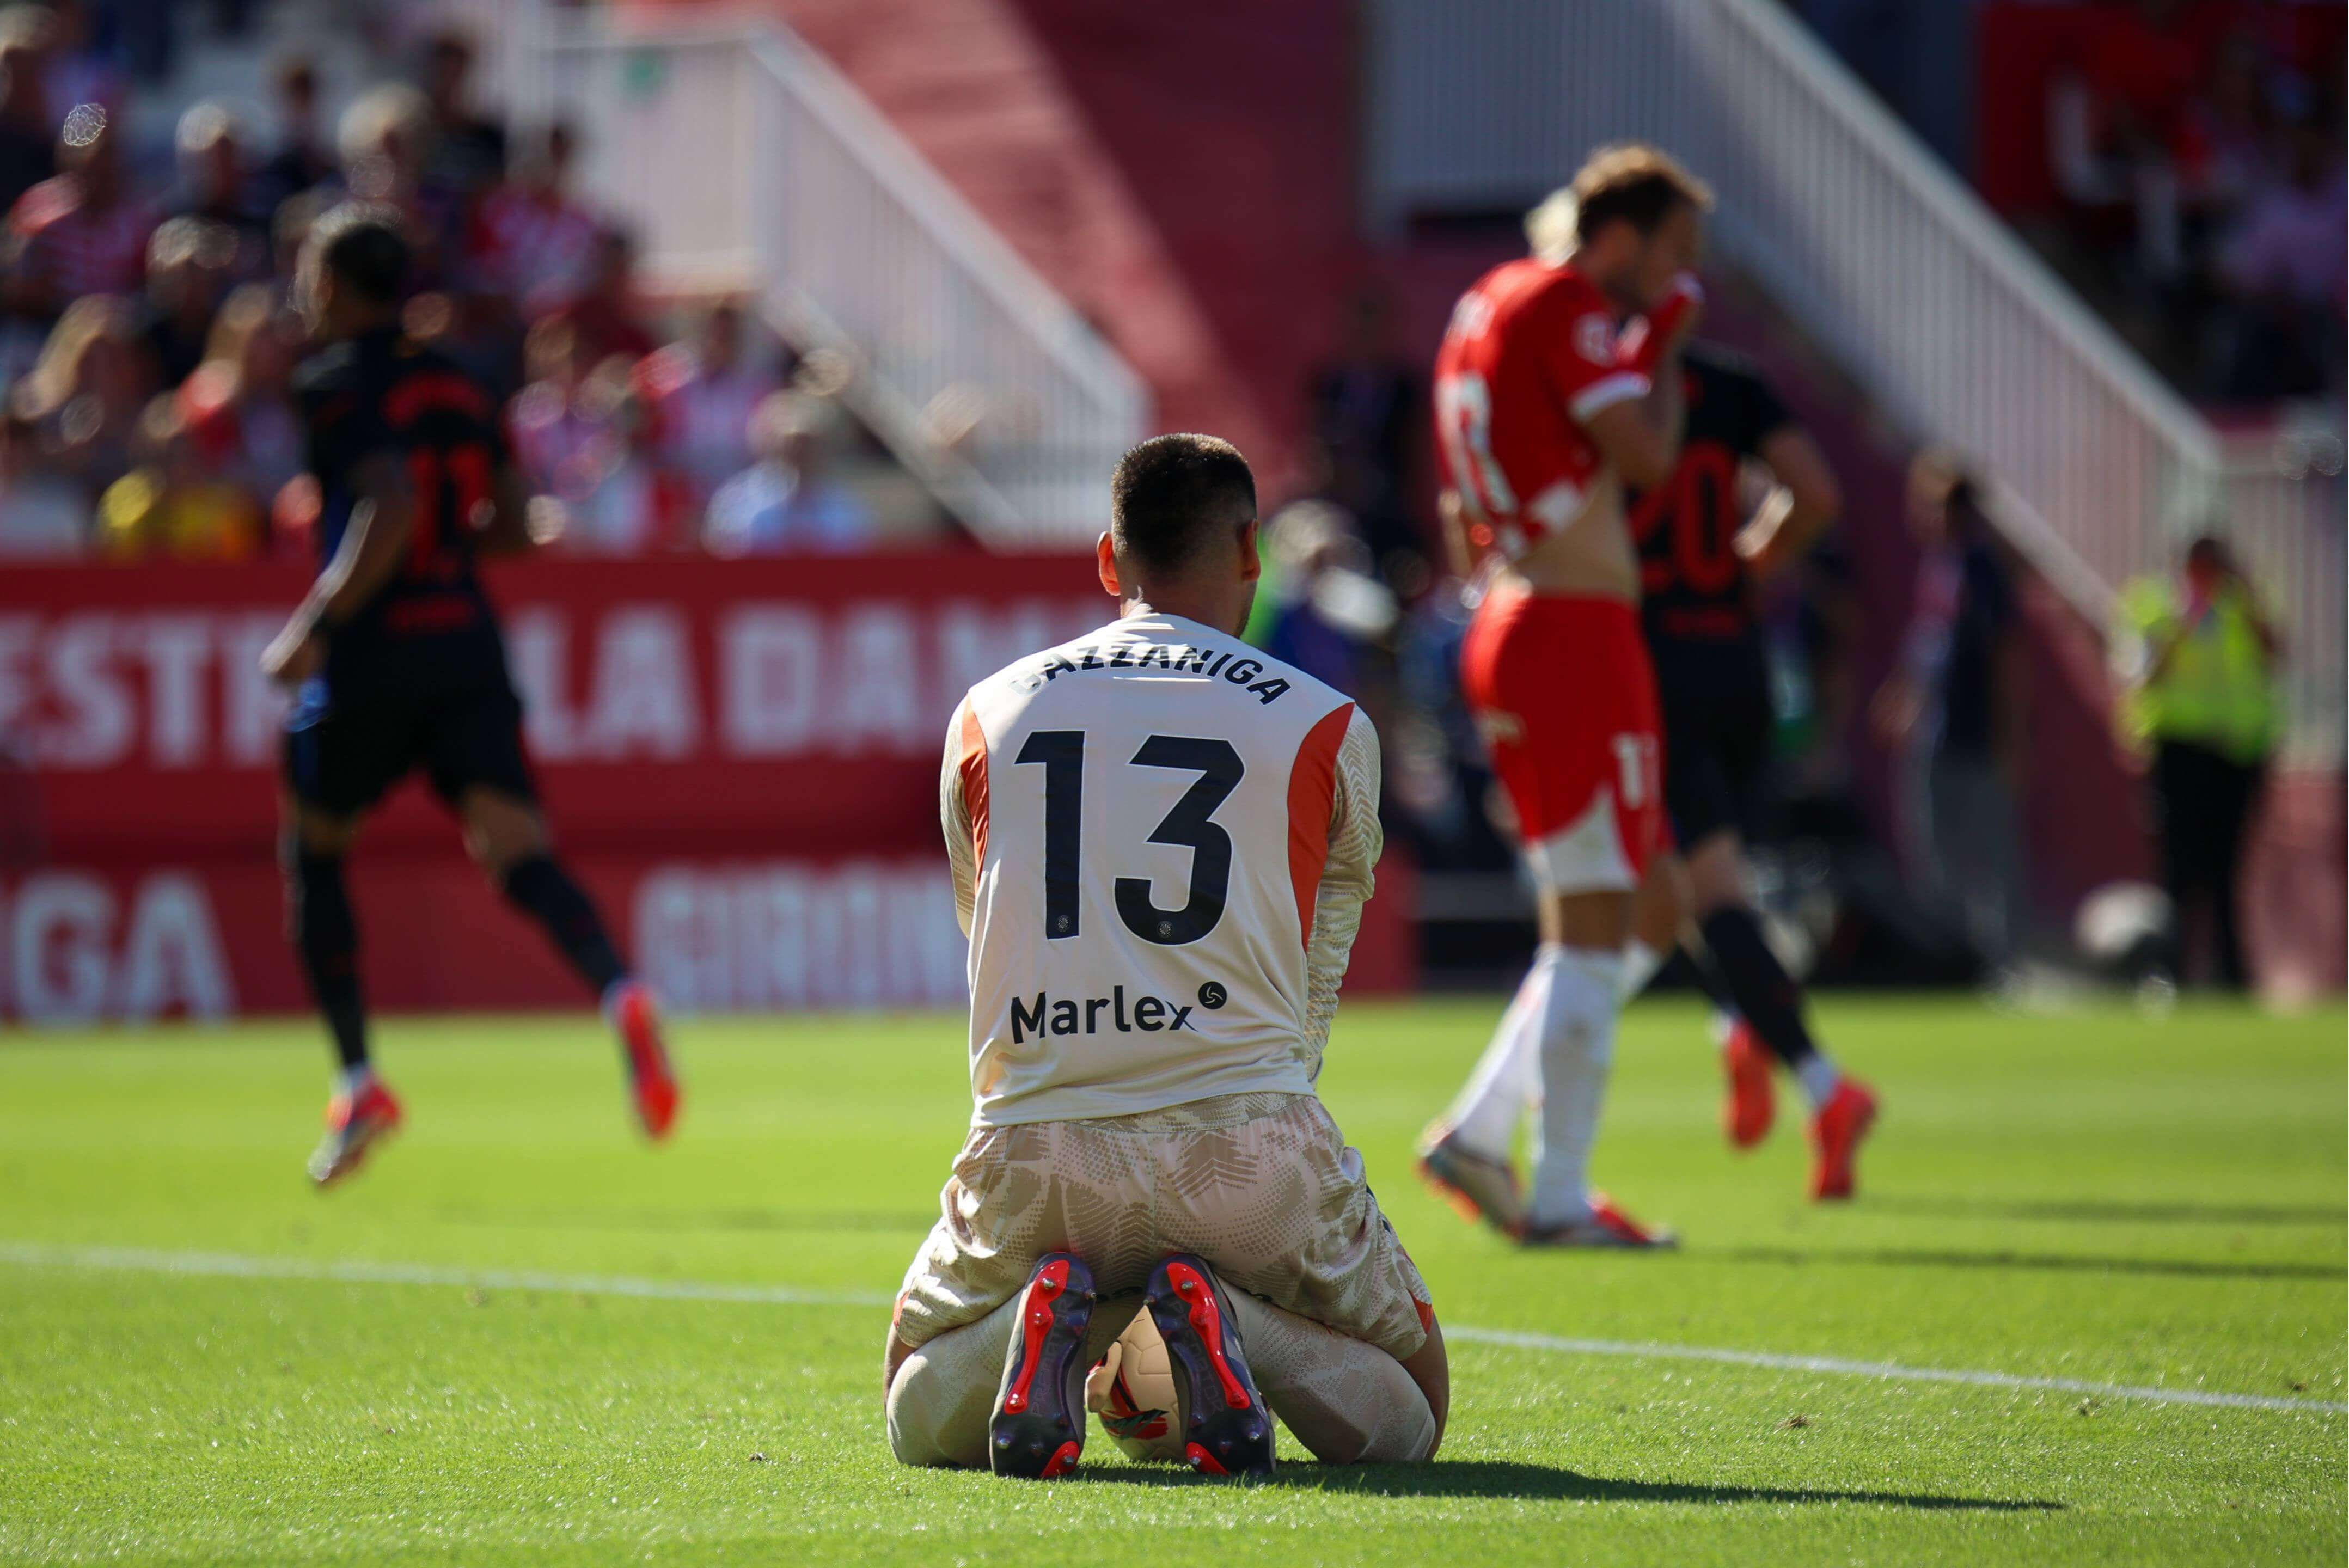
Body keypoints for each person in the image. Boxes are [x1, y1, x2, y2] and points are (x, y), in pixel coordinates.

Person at [885, 433, 1445, 1478]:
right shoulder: (1327, 722)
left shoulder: (986, 711)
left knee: (911, 1403)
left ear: (1108, 560)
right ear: (1251, 552)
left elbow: (984, 923)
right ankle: (1226, 1313)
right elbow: (1319, 957)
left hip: (1039, 1136)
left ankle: (1070, 1318)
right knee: (1414, 1407)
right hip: (1241, 1133)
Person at [262, 204, 680, 1187]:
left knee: (313, 851)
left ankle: (359, 1077)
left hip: (373, 655)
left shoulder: (330, 382)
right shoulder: (461, 377)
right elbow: (507, 525)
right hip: (465, 648)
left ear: (331, 287)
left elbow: (393, 507)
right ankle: (617, 987)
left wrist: (315, 624)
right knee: (517, 852)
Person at [1428, 341, 1881, 1201]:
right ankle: (1743, 1026)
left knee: (1666, 897)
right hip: (1737, 663)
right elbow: (1815, 495)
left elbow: (1489, 522)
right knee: (1676, 893)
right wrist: (1744, 566)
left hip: (1636, 655)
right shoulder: (1733, 381)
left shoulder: (1598, 395)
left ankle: (1803, 1070)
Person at [1414, 144, 1707, 1248]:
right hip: (1569, 630)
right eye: (1673, 253)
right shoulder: (1568, 300)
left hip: (1529, 616)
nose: (1681, 275)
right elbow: (1645, 456)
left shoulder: (1489, 296)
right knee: (1593, 923)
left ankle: (1486, 1129)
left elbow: (1465, 498)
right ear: (1619, 235)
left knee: (1653, 904)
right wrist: (1664, 345)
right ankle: (1557, 1193)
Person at [1873, 453, 2031, 975]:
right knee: (1931, 855)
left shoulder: (1983, 570)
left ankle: (1998, 963)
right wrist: (1902, 697)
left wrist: (2008, 739)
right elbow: (1928, 649)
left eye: (1931, 505)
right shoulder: (1939, 567)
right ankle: (1946, 958)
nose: (1920, 516)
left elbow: (2004, 658)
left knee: (1987, 855)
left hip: (1975, 735)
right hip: (1932, 734)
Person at [2113, 535, 2282, 990]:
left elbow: (2273, 654)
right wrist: (2181, 623)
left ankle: (2231, 976)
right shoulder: (2155, 605)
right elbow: (2142, 673)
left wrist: (2246, 603)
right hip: (2178, 750)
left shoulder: (2238, 606)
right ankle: (2169, 972)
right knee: (2178, 869)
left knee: (2227, 871)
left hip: (2234, 751)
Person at [702, 391, 873, 555]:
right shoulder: (738, 502)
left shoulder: (846, 510)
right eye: (792, 445)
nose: (800, 454)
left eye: (809, 445)